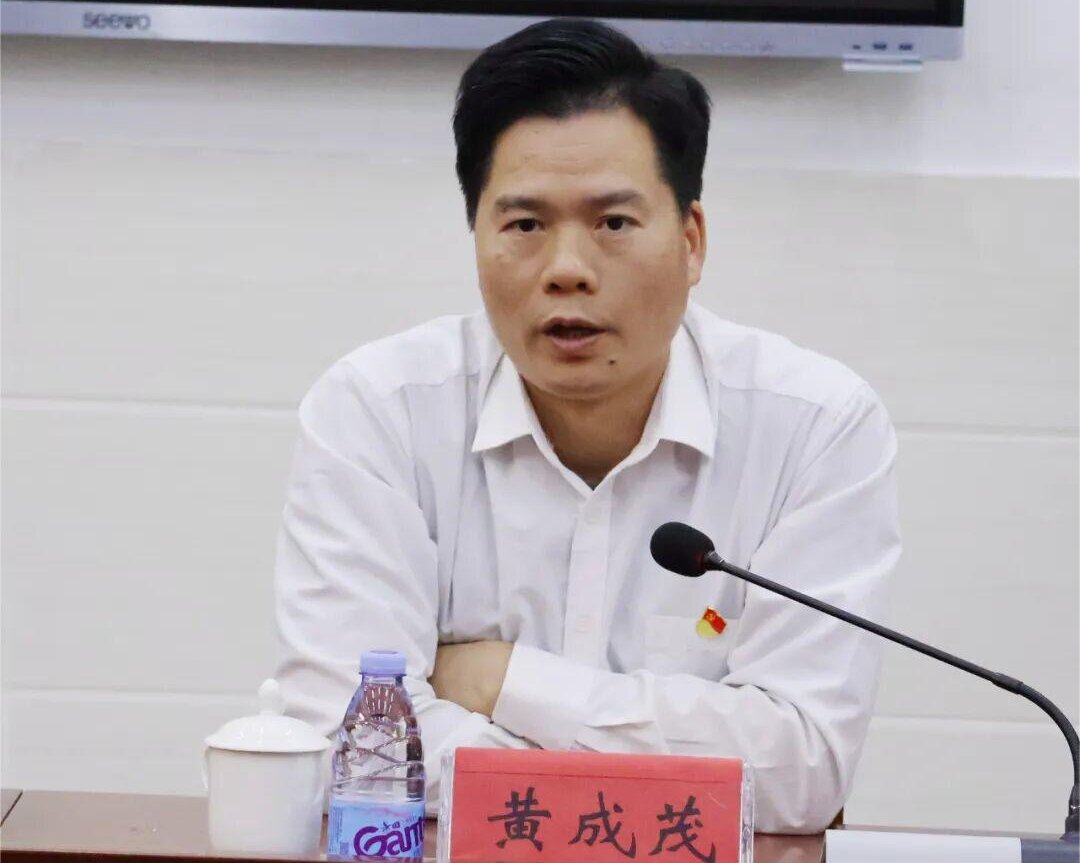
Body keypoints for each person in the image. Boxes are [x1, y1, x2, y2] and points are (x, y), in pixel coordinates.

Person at [273, 18, 900, 833]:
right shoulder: (377, 413)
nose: (567, 268)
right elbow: (349, 735)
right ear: (476, 236)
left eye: (613, 223)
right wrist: (661, 766)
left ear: (691, 241)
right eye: (525, 225)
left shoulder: (816, 428)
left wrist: (504, 680)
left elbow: (804, 766)